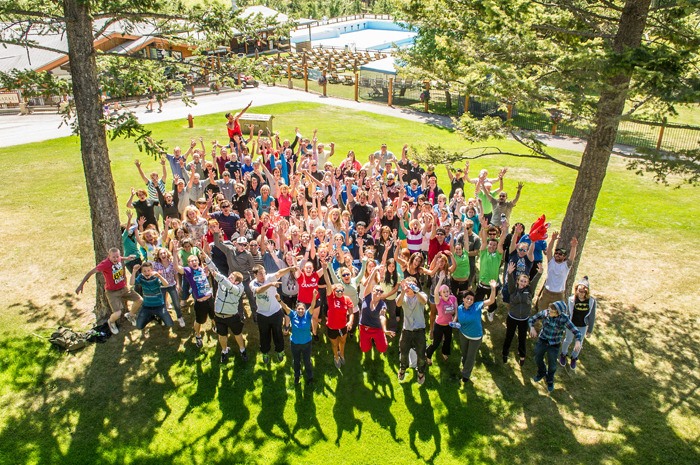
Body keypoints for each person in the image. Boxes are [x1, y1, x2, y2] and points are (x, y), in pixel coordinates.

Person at [75, 247, 142, 335]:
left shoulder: (118, 258)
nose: (116, 259)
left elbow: (120, 258)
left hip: (123, 288)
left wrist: (127, 258)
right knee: (118, 313)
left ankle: (130, 315)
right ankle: (110, 322)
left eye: (117, 257)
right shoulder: (105, 264)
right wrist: (81, 285)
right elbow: (90, 272)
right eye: (113, 257)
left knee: (139, 300)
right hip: (112, 292)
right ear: (109, 256)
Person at [203, 254, 249, 364]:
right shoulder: (224, 282)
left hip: (232, 317)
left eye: (232, 277)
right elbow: (214, 268)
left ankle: (242, 350)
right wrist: (205, 256)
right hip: (219, 316)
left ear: (237, 282)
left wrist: (218, 276)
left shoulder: (238, 288)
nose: (229, 277)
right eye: (230, 276)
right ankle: (224, 351)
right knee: (222, 335)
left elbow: (228, 284)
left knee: (238, 334)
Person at [529, 301, 583, 392]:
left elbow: (576, 331)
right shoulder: (545, 313)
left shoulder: (564, 319)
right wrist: (532, 327)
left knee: (552, 365)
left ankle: (550, 379)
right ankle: (542, 372)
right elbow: (531, 319)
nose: (549, 312)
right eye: (550, 309)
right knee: (537, 358)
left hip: (554, 344)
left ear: (558, 313)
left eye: (552, 311)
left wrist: (578, 341)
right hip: (543, 340)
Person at [249, 263, 296, 364]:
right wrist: (270, 284)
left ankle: (280, 351)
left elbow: (279, 273)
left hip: (276, 312)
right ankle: (265, 352)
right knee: (264, 335)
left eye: (264, 273)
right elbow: (258, 291)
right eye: (260, 274)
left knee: (278, 333)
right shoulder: (253, 284)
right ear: (255, 275)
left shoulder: (269, 277)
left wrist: (290, 268)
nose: (263, 276)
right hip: (262, 314)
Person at [455, 280, 498, 385]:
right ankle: (465, 365)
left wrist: (493, 288)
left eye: (471, 299)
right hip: (463, 334)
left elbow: (491, 300)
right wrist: (454, 322)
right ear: (463, 299)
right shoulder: (459, 308)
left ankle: (465, 375)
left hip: (475, 337)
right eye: (467, 299)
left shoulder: (477, 306)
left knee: (470, 356)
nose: (469, 301)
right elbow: (457, 317)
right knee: (464, 354)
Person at [502, 261, 542, 366]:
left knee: (522, 338)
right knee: (509, 336)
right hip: (512, 318)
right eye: (521, 281)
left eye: (525, 281)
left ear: (527, 283)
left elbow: (535, 281)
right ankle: (505, 353)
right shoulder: (513, 290)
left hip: (524, 319)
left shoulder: (530, 290)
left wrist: (539, 273)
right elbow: (510, 281)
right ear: (518, 281)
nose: (523, 283)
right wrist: (509, 273)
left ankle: (522, 355)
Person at [176, 250, 214, 348]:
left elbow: (208, 259)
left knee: (214, 316)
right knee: (200, 321)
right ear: (188, 263)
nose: (194, 262)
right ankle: (197, 335)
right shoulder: (188, 271)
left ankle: (215, 326)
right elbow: (176, 267)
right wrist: (175, 252)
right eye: (191, 261)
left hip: (210, 299)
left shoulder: (202, 269)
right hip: (200, 302)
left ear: (198, 261)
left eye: (195, 260)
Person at [560, 277, 597, 370]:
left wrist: (590, 330)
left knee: (579, 344)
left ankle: (574, 357)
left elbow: (592, 316)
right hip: (571, 325)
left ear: (587, 292)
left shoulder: (591, 301)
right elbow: (568, 313)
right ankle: (563, 354)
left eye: (583, 291)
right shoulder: (571, 299)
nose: (581, 293)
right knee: (567, 340)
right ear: (576, 290)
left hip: (582, 326)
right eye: (579, 291)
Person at [396, 278, 428, 385]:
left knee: (421, 355)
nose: (409, 287)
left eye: (411, 285)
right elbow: (398, 304)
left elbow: (424, 301)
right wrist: (402, 291)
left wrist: (416, 291)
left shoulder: (421, 294)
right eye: (408, 285)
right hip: (407, 330)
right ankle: (403, 369)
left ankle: (420, 372)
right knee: (403, 353)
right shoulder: (403, 296)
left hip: (419, 331)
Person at [537, 231, 579, 310]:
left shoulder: (566, 265)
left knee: (558, 313)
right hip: (547, 292)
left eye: (560, 254)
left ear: (564, 257)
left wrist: (573, 247)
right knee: (542, 311)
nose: (557, 255)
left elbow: (572, 258)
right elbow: (549, 251)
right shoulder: (551, 262)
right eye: (556, 253)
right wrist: (552, 240)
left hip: (559, 294)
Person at [476, 217, 508, 321]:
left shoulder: (498, 255)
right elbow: (484, 241)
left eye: (494, 245)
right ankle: (478, 311)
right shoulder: (483, 252)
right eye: (491, 244)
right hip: (481, 284)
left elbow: (501, 242)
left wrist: (504, 231)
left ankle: (491, 311)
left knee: (492, 301)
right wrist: (485, 229)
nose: (492, 246)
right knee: (478, 300)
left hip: (492, 285)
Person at [359, 266, 396, 355]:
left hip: (377, 328)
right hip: (364, 328)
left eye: (381, 291)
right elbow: (368, 284)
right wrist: (375, 270)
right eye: (377, 290)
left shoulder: (382, 305)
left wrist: (385, 330)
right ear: (372, 290)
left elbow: (382, 316)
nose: (378, 292)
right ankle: (368, 342)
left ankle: (379, 338)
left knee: (383, 349)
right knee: (365, 349)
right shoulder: (367, 296)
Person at [286, 296, 320, 384]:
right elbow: (286, 307)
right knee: (296, 361)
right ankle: (297, 376)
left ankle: (310, 377)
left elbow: (312, 306)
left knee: (307, 361)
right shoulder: (293, 315)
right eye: (299, 309)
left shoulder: (308, 315)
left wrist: (314, 297)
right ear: (296, 309)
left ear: (305, 310)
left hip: (307, 344)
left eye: (302, 309)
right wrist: (279, 300)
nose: (300, 311)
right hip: (295, 344)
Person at [129, 262, 174, 330]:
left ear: (152, 270)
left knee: (169, 324)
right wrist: (134, 271)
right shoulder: (141, 277)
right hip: (147, 306)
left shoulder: (155, 277)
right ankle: (152, 317)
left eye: (148, 270)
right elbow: (131, 283)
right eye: (144, 271)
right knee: (139, 326)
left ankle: (159, 316)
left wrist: (159, 276)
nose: (146, 272)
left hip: (159, 306)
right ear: (142, 272)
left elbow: (166, 284)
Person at [426, 274, 458, 366]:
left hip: (449, 325)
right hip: (439, 325)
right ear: (440, 294)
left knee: (448, 341)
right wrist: (440, 280)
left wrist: (454, 320)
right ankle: (428, 355)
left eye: (447, 291)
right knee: (436, 343)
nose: (446, 293)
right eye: (443, 292)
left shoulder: (453, 298)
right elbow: (435, 292)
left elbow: (456, 311)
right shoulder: (438, 300)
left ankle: (444, 352)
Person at [324, 283, 355, 368]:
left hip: (343, 327)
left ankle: (341, 354)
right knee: (334, 344)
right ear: (334, 291)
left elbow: (351, 313)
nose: (340, 292)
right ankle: (336, 357)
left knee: (343, 341)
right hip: (332, 327)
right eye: (337, 291)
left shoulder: (347, 299)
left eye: (341, 290)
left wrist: (350, 321)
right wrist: (324, 269)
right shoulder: (331, 298)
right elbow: (328, 284)